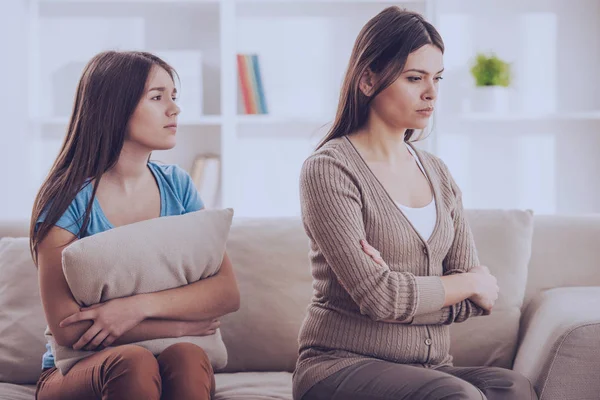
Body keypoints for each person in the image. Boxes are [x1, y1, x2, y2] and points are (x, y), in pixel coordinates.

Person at [293, 7, 536, 400]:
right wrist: (463, 284)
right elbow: (380, 297)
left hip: (427, 369)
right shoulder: (330, 170)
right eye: (414, 78)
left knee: (514, 388)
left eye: (437, 78)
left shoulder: (437, 173)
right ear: (368, 79)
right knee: (458, 396)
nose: (431, 93)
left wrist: (414, 293)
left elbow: (481, 300)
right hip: (340, 366)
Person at [30, 50, 240, 400]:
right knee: (135, 361)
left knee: (188, 355)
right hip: (74, 371)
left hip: (169, 355)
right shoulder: (67, 198)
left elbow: (226, 292)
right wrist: (181, 325)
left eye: (174, 96)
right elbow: (67, 330)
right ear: (113, 107)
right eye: (157, 98)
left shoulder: (179, 186)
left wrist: (134, 309)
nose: (174, 109)